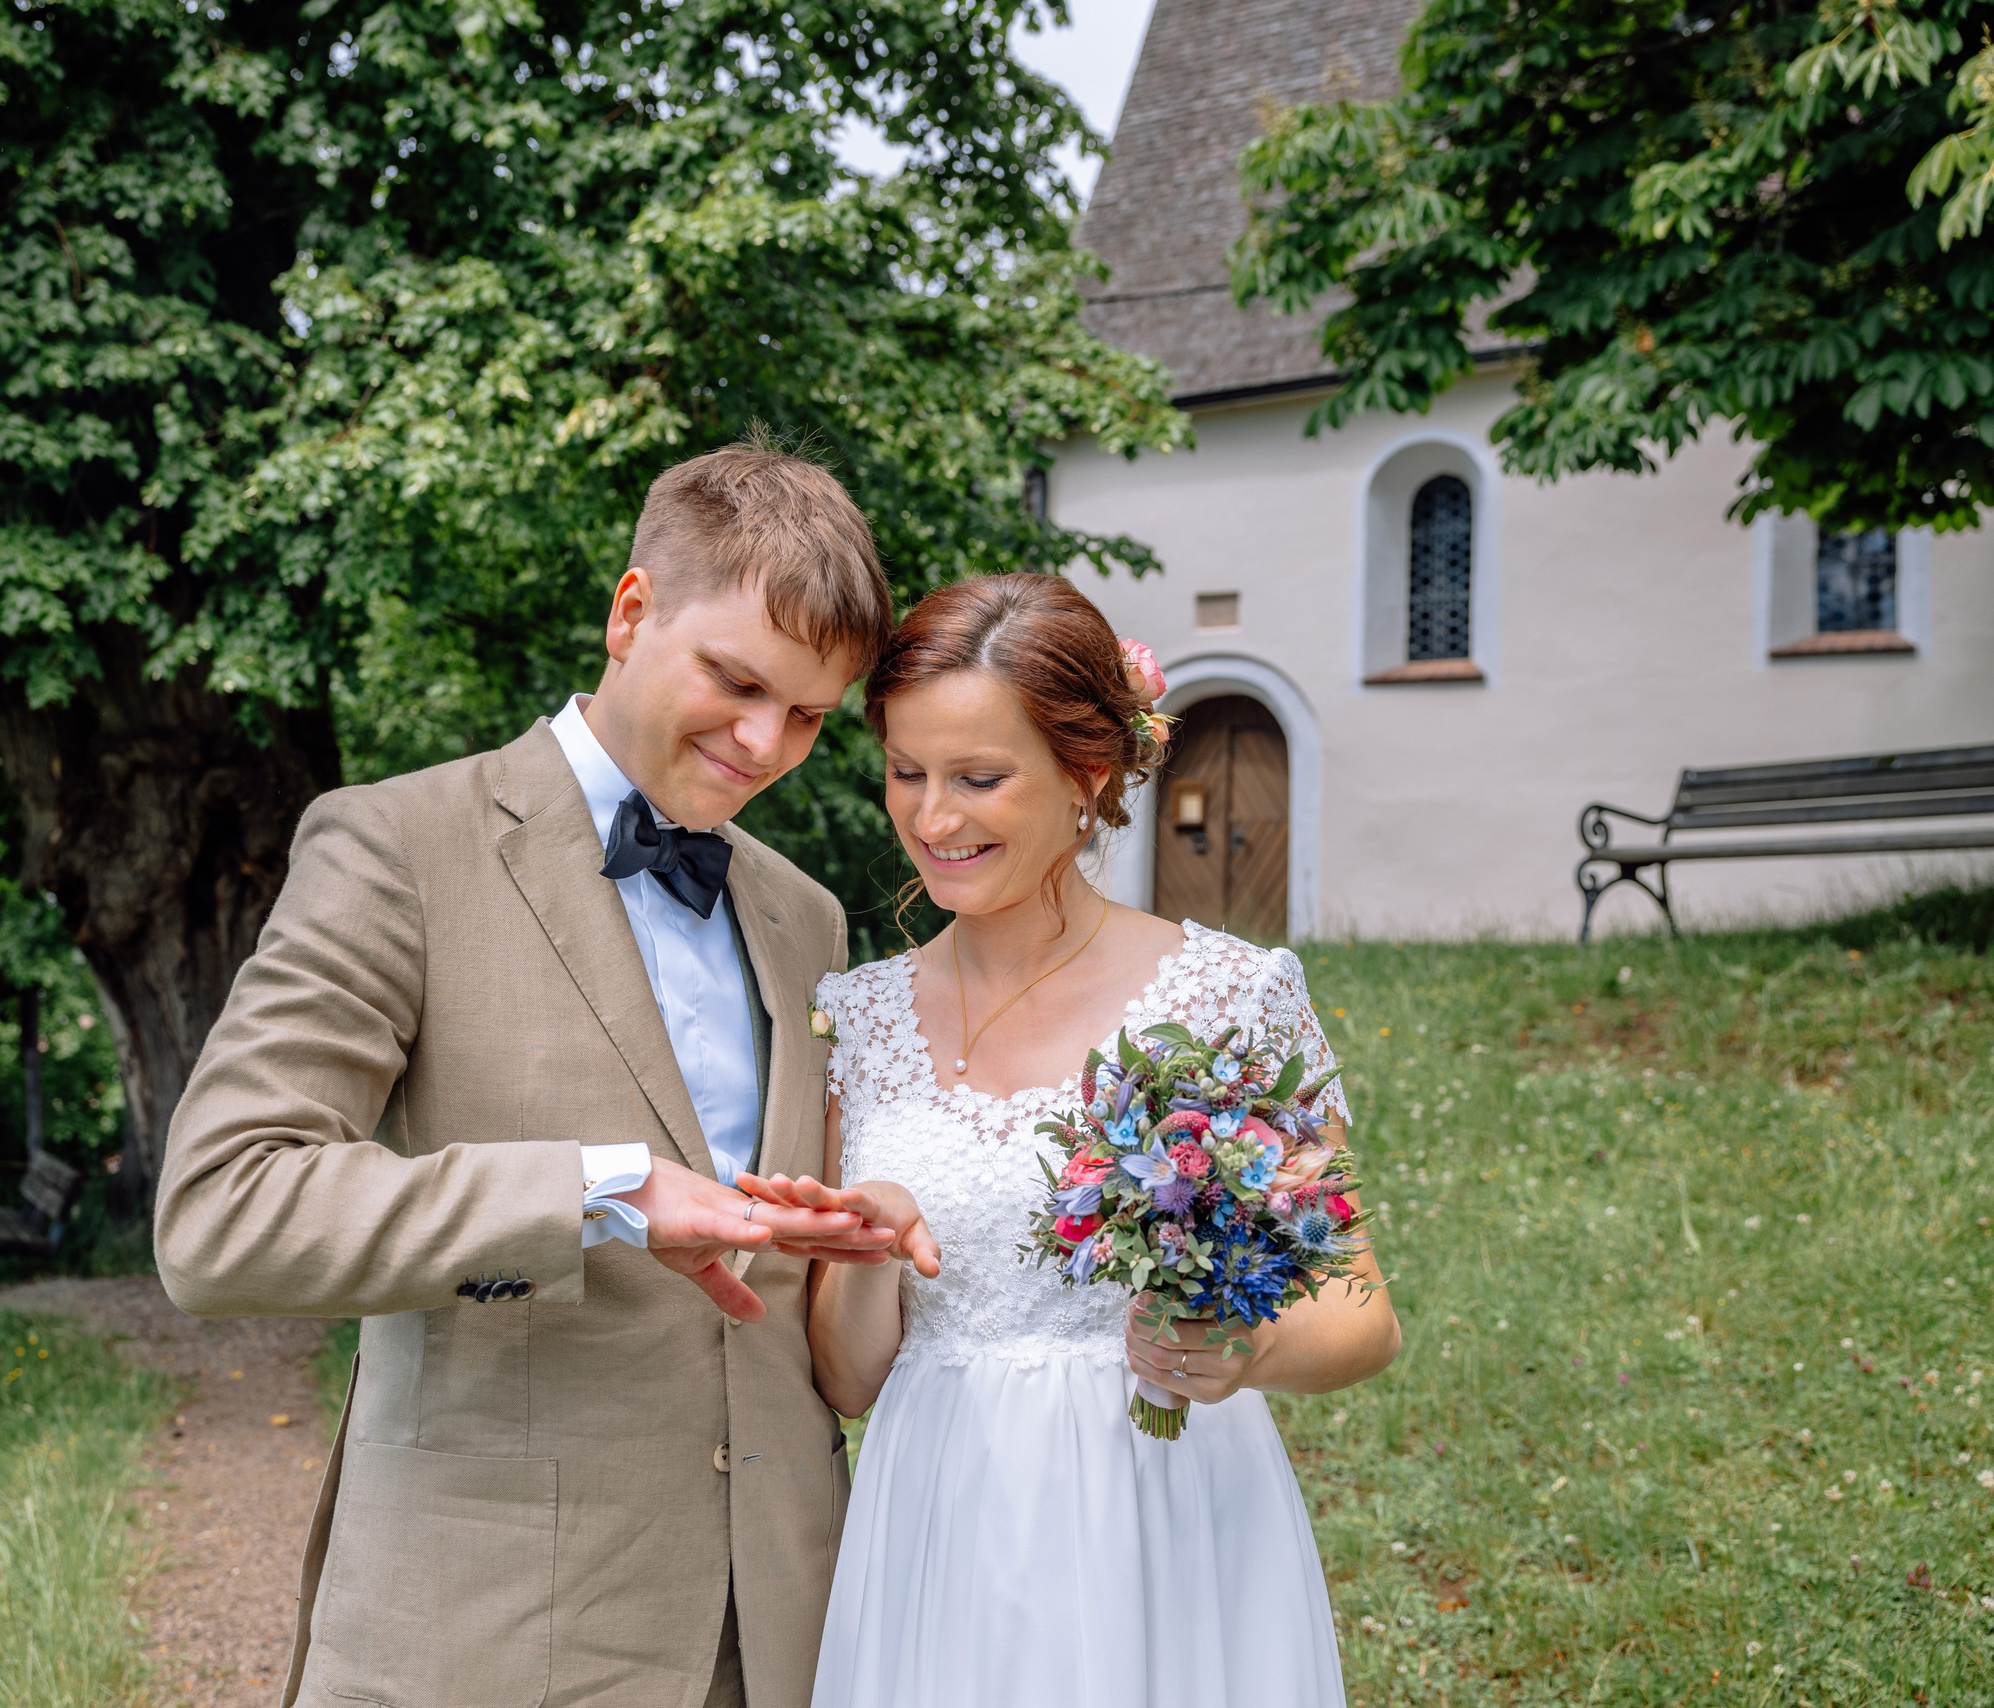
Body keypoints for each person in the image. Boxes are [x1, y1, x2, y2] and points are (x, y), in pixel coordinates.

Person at [153, 440, 936, 1708]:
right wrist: (599, 1192)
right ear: (630, 613)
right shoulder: (397, 846)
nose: (763, 743)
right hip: (492, 1635)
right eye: (736, 680)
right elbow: (222, 1214)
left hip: (781, 1630)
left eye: (806, 716)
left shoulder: (806, 916)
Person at [740, 573, 1402, 1708]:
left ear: (1086, 772)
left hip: (1160, 1517)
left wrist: (1248, 1351)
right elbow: (848, 1382)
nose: (931, 819)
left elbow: (1361, 1316)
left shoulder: (1230, 997)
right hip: (940, 1531)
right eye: (906, 772)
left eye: (979, 778)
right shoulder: (858, 1017)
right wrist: (875, 1251)